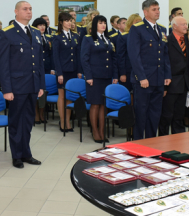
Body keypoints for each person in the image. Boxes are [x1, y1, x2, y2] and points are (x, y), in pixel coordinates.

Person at [0, 1, 45, 168]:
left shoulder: (36, 32)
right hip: (16, 86)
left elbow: (39, 61)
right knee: (16, 122)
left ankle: (26, 153)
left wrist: (41, 85)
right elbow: (3, 64)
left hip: (32, 85)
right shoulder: (7, 33)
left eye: (30, 9)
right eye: (25, 9)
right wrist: (6, 89)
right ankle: (16, 155)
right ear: (16, 11)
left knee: (28, 121)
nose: (29, 11)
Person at [128, 0, 171, 140]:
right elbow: (134, 56)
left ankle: (151, 142)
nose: (158, 12)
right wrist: (141, 77)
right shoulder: (137, 29)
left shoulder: (162, 29)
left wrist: (167, 75)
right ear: (145, 12)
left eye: (158, 9)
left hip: (158, 79)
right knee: (141, 114)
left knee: (154, 114)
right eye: (154, 9)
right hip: (144, 80)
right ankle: (138, 143)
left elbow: (165, 55)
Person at [81, 15, 118, 143]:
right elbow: (84, 59)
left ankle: (102, 132)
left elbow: (113, 59)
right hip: (94, 77)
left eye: (104, 23)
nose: (103, 25)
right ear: (95, 24)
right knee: (95, 104)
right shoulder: (88, 39)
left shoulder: (108, 39)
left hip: (106, 76)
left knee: (103, 105)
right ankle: (95, 132)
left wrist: (115, 76)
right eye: (100, 23)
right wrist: (88, 76)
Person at [159, 16, 189, 135]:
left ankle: (178, 137)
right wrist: (165, 86)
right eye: (183, 24)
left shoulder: (185, 39)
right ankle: (163, 137)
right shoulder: (167, 40)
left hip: (183, 82)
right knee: (167, 114)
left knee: (179, 114)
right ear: (174, 26)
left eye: (186, 24)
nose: (186, 26)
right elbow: (164, 63)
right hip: (171, 83)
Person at [52, 12, 80, 132]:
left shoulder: (75, 36)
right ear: (61, 22)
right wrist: (59, 73)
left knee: (69, 96)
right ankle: (62, 121)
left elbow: (78, 55)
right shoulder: (57, 37)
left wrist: (79, 71)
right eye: (67, 21)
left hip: (73, 70)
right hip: (63, 71)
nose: (69, 23)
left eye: (71, 20)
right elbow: (56, 57)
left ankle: (68, 121)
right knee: (62, 96)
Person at [32, 17, 54, 124]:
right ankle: (36, 114)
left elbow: (52, 54)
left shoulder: (49, 37)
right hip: (36, 68)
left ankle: (42, 113)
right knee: (36, 91)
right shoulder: (32, 37)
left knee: (44, 91)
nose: (42, 27)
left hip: (47, 67)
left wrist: (52, 68)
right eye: (40, 25)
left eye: (44, 25)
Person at [116, 13, 141, 95]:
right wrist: (122, 73)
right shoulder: (124, 36)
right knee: (126, 94)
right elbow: (121, 56)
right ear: (130, 23)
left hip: (140, 71)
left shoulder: (143, 36)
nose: (139, 24)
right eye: (136, 22)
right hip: (128, 71)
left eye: (140, 22)